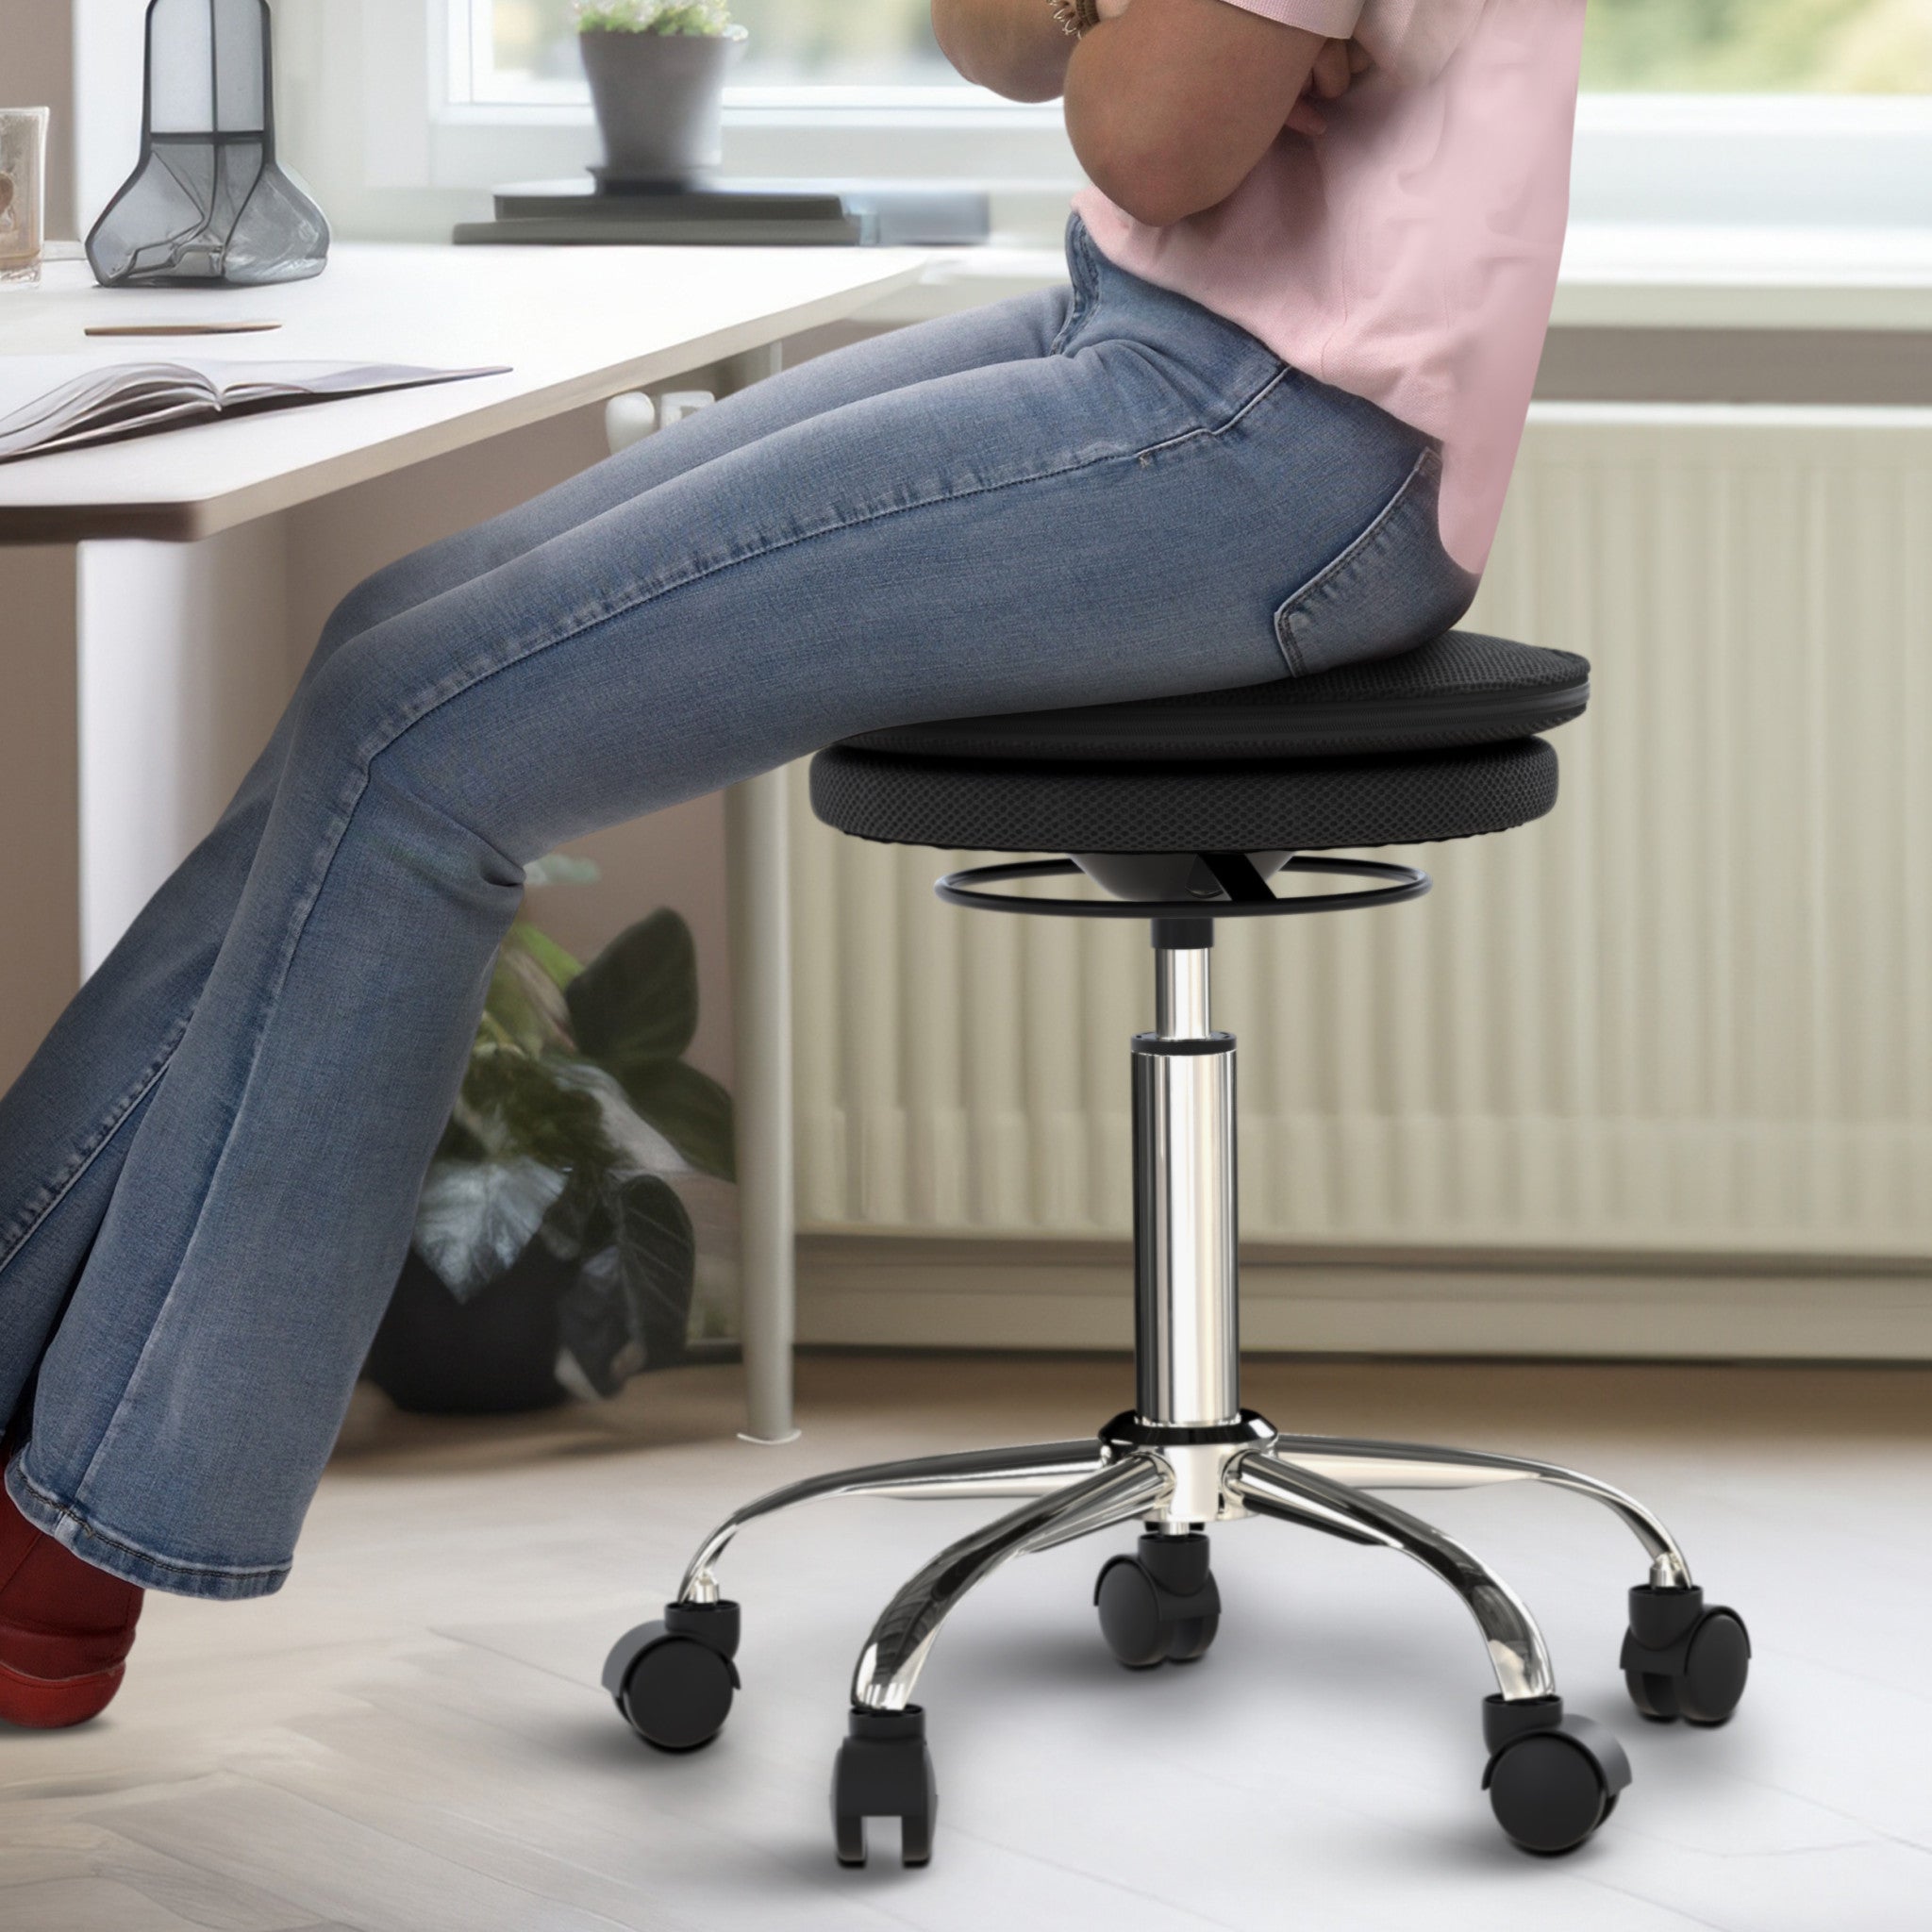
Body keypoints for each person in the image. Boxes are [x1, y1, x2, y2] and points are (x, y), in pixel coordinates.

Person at [0, 0, 1584, 1726]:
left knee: (424, 750)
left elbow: (1150, 142)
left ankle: (74, 1557)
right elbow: (992, 40)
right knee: (386, 642)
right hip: (1138, 322)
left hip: (1293, 442)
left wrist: (1142, 47)